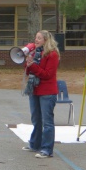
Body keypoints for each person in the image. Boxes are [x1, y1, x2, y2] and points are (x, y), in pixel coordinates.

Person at [22, 30, 60, 159]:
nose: (36, 40)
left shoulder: (52, 54)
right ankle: (35, 144)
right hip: (35, 90)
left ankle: (47, 149)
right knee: (36, 119)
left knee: (47, 122)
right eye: (35, 37)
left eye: (39, 38)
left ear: (46, 40)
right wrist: (28, 64)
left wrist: (33, 66)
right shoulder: (35, 53)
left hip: (47, 92)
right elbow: (28, 72)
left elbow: (47, 74)